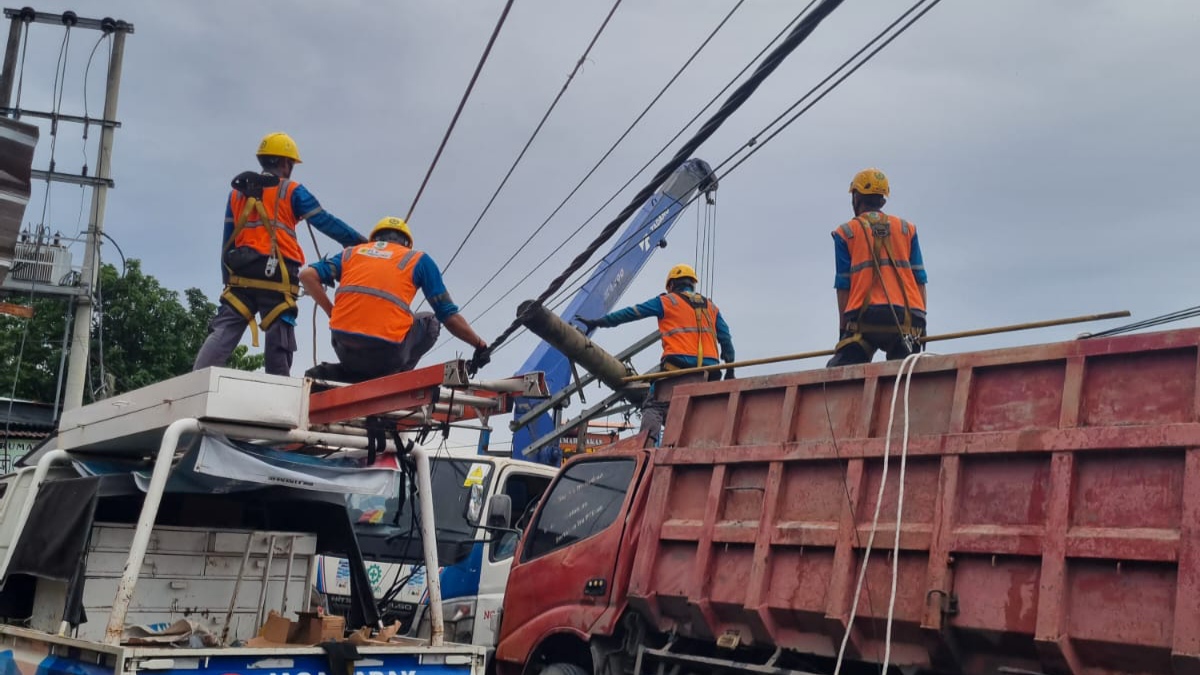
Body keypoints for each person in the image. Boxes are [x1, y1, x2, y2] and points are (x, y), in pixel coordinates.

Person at [193, 132, 367, 376]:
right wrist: (360, 243)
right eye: (291, 164)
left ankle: (197, 380)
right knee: (279, 331)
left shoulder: (237, 193)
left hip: (240, 274)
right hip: (277, 273)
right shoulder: (292, 190)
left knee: (225, 328)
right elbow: (324, 221)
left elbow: (227, 237)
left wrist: (227, 279)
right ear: (285, 162)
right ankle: (279, 388)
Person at [300, 216, 489, 383]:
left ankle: (350, 374)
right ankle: (396, 380)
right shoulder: (418, 260)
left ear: (374, 239)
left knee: (361, 349)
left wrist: (332, 313)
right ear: (407, 244)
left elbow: (307, 275)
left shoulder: (352, 253)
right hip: (387, 354)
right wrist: (479, 345)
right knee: (431, 321)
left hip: (344, 345)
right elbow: (449, 317)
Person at [576, 264, 734, 446]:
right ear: (692, 284)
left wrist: (600, 322)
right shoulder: (711, 308)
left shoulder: (667, 301)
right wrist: (730, 369)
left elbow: (631, 313)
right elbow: (726, 338)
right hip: (710, 374)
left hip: (678, 370)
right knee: (705, 410)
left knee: (654, 405)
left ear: (671, 285)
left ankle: (646, 447)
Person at [827, 168, 927, 367]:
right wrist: (921, 323)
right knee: (906, 376)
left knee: (838, 373)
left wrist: (843, 332)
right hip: (908, 320)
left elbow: (843, 285)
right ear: (883, 200)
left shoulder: (846, 232)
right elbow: (920, 279)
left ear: (856, 197)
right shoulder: (906, 229)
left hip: (864, 321)